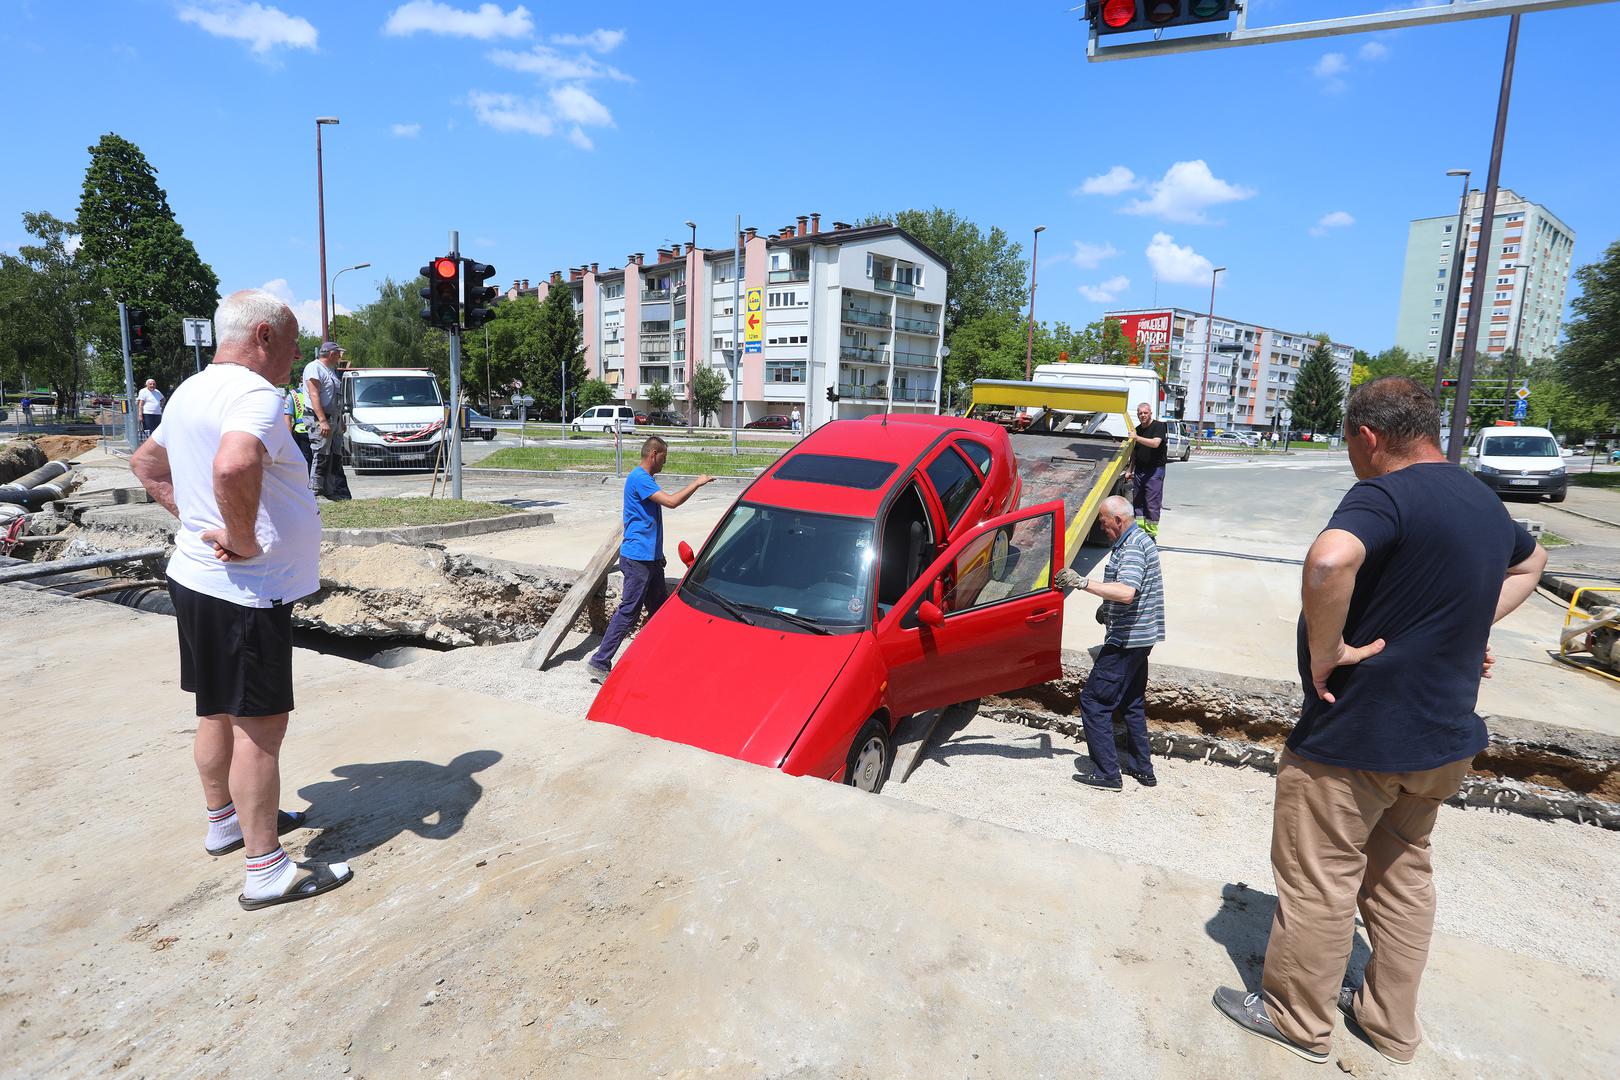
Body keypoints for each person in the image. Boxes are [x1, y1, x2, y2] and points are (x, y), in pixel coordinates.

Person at [1212, 377, 1546, 1065]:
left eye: (1350, 445)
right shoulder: (1480, 499)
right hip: (1441, 739)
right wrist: (1469, 625)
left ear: (1368, 436)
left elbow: (1330, 559)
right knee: (1401, 879)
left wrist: (1326, 649)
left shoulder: (1383, 492)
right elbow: (1533, 560)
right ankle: (1391, 1026)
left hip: (1356, 736)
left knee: (1320, 879)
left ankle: (1297, 1020)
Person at [130, 288, 353, 911]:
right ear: (262, 337)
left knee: (215, 708)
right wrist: (244, 540)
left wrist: (191, 519)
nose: (296, 356)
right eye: (291, 344)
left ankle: (224, 822)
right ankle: (266, 869)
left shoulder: (192, 388)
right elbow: (233, 466)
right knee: (260, 728)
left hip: (197, 578)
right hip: (244, 591)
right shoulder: (256, 393)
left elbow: (146, 463)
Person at [587, 436, 715, 678]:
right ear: (654, 454)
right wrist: (696, 483)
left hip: (650, 560)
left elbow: (648, 523)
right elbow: (672, 502)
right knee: (629, 611)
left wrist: (658, 554)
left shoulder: (646, 480)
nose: (665, 464)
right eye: (664, 458)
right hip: (638, 560)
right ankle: (599, 661)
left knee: (659, 612)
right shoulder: (640, 479)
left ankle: (663, 659)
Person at [1072, 495, 1166, 792]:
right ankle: (1142, 768)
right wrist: (1106, 608)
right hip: (1140, 638)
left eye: (1103, 524)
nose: (1103, 530)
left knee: (1094, 702)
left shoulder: (1133, 547)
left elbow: (1126, 591)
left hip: (1126, 641)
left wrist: (1083, 583)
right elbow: (1129, 593)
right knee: (1131, 703)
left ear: (1118, 520)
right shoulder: (1137, 540)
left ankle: (1107, 774)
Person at [303, 341, 350, 500]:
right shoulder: (314, 367)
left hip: (334, 420)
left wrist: (340, 420)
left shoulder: (330, 371)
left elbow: (336, 398)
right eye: (338, 354)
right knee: (321, 454)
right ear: (331, 354)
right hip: (320, 419)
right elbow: (314, 394)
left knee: (334, 456)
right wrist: (322, 420)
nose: (339, 357)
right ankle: (316, 492)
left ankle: (330, 491)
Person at [1124, 401, 1168, 539]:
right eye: (1140, 413)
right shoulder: (1137, 429)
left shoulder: (1159, 426)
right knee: (1138, 501)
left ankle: (1151, 535)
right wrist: (1129, 470)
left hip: (1155, 471)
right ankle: (1140, 531)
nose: (1142, 415)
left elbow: (1155, 443)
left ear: (1150, 413)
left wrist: (1136, 437)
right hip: (1139, 471)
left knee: (1152, 502)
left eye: (1145, 413)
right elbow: (1134, 454)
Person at [283, 375, 312, 466]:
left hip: (316, 432)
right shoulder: (293, 395)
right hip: (302, 434)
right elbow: (287, 419)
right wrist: (289, 440)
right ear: (301, 379)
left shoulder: (318, 392)